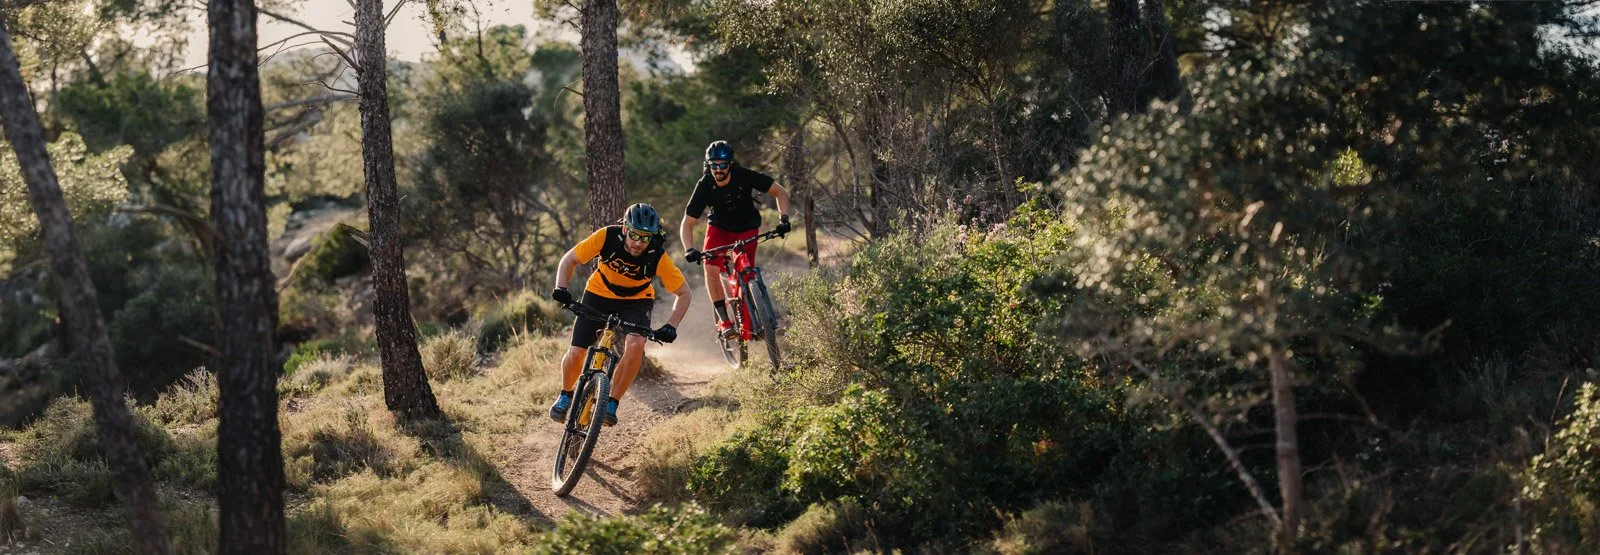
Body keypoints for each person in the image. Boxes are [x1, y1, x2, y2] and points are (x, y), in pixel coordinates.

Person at [548, 203, 690, 426]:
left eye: (645, 238)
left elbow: (684, 293)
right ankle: (565, 394)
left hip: (636, 300)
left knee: (635, 344)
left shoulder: (657, 256)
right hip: (598, 292)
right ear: (624, 229)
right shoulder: (607, 236)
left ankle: (612, 402)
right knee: (576, 352)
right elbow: (570, 260)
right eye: (634, 235)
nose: (638, 242)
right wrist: (561, 288)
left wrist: (672, 324)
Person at [678, 140, 791, 340]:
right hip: (719, 229)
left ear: (730, 163)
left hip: (747, 227)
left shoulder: (744, 175)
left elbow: (780, 192)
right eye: (714, 165)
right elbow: (687, 223)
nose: (718, 169)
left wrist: (783, 220)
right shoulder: (705, 185)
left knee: (747, 272)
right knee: (710, 266)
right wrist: (689, 249)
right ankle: (725, 321)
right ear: (708, 165)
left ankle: (757, 323)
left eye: (722, 165)